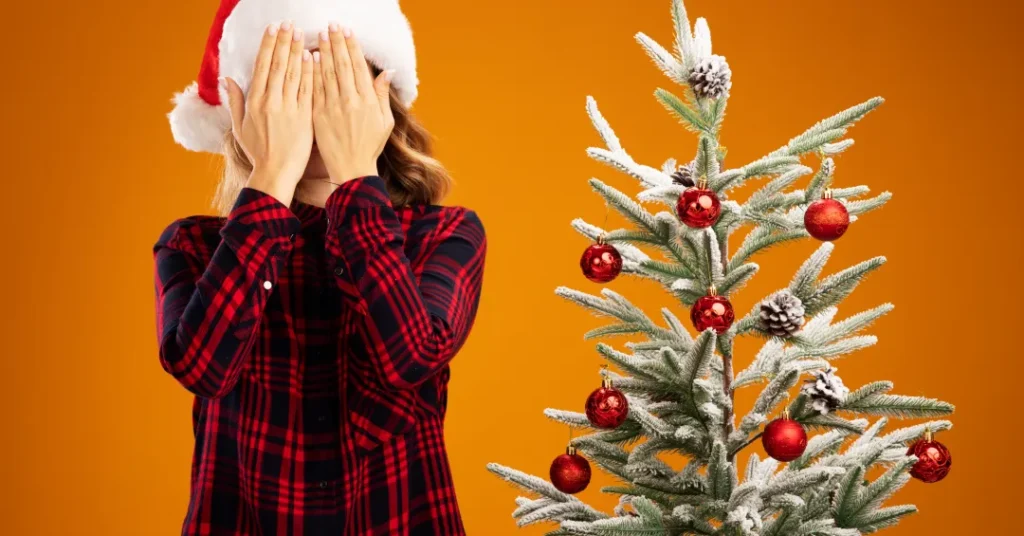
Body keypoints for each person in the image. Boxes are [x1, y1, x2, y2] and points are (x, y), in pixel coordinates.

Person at [153, 1, 486, 534]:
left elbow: (409, 358)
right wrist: (274, 173)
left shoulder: (443, 234)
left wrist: (354, 172)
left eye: (333, 81)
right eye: (282, 85)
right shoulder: (192, 245)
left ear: (380, 101)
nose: (308, 107)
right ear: (243, 109)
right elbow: (201, 366)